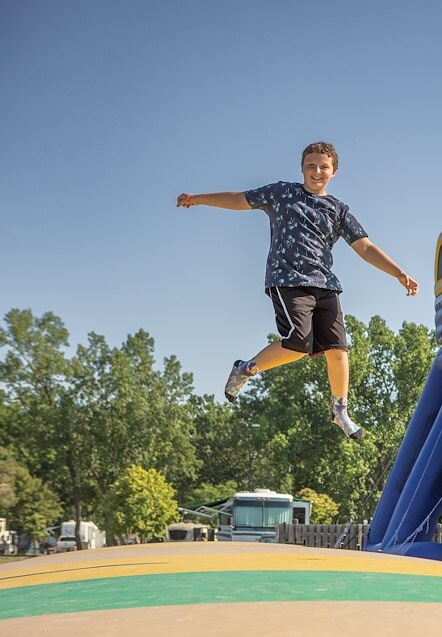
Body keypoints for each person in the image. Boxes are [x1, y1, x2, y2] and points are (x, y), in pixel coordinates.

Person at [177, 142, 419, 440]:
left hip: (325, 284)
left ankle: (340, 411)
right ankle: (246, 369)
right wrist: (198, 199)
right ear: (302, 168)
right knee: (297, 344)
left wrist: (398, 273)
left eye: (323, 167)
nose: (317, 171)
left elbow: (365, 247)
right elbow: (239, 199)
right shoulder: (283, 193)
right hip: (287, 278)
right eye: (310, 165)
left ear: (334, 171)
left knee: (338, 351)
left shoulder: (338, 209)